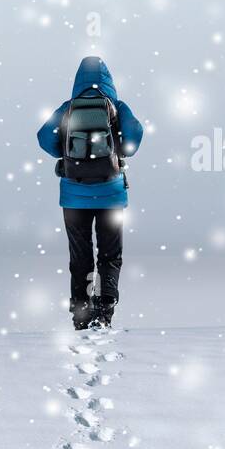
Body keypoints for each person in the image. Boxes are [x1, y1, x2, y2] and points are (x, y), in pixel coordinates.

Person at [37, 56, 144, 329]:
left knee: (80, 254)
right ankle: (105, 309)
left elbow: (44, 137)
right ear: (109, 79)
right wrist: (118, 152)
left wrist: (67, 154)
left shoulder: (68, 107)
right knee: (110, 254)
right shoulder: (117, 107)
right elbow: (133, 137)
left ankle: (82, 312)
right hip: (111, 193)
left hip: (74, 195)